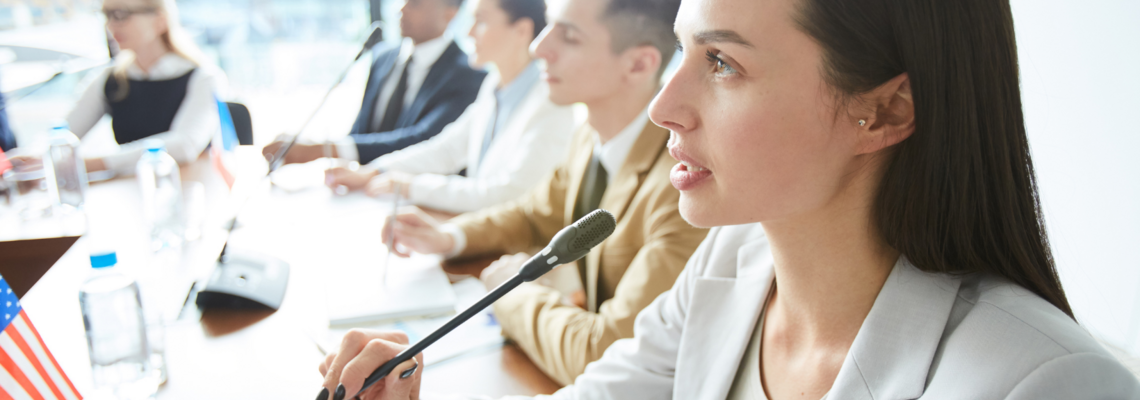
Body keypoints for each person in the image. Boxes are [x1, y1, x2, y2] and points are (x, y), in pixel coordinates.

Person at [317, 0, 1140, 398]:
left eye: (722, 65)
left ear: (882, 111)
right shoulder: (734, 262)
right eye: (682, 52)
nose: (662, 107)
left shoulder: (1049, 386)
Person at [316, 0, 706, 394]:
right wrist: (450, 237)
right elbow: (534, 214)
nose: (539, 47)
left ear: (638, 65)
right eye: (549, 27)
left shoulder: (681, 188)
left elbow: (607, 351)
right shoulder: (591, 135)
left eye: (568, 37)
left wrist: (511, 291)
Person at [324, 0, 575, 214]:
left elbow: (508, 194)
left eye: (481, 21)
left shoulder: (552, 104)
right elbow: (447, 149)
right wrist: (376, 171)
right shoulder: (495, 84)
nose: (468, 33)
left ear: (521, 31)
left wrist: (410, 186)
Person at [262, 0, 486, 165]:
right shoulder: (382, 57)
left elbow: (424, 142)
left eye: (414, 3)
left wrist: (324, 149)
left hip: (413, 200)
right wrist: (312, 145)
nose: (401, 9)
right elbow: (360, 132)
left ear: (450, 13)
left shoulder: (469, 75)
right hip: (359, 189)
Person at [62, 0, 227, 177]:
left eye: (121, 15)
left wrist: (95, 164)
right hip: (130, 189)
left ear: (160, 20)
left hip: (191, 186)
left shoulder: (203, 78)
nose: (110, 25)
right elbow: (63, 134)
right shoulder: (109, 78)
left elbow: (185, 145)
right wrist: (37, 158)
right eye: (106, 15)